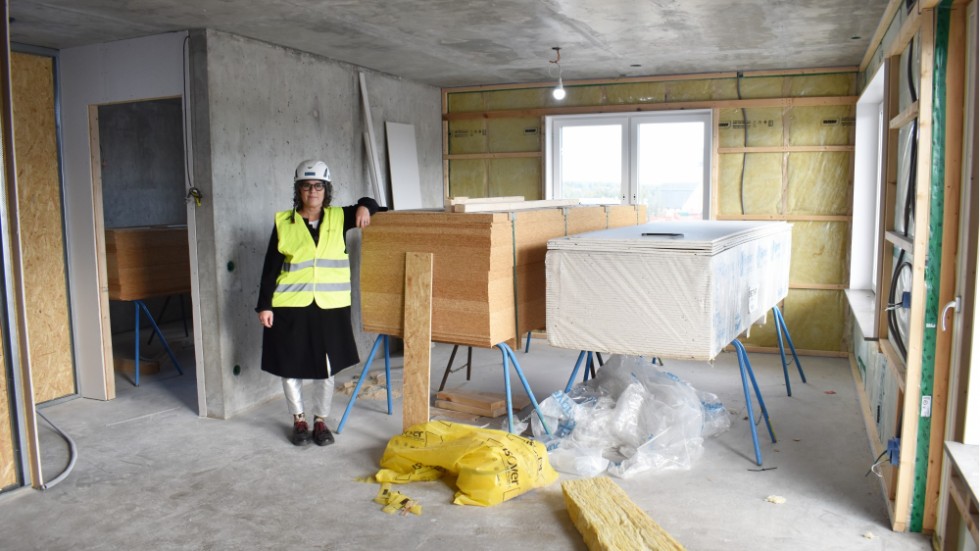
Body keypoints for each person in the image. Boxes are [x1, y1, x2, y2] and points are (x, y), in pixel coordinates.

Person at [256, 159, 378, 446]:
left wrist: (365, 206)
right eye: (307, 186)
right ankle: (298, 419)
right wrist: (265, 305)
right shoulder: (284, 223)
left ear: (326, 189)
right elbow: (270, 268)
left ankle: (320, 421)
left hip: (330, 305)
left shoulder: (340, 217)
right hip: (290, 304)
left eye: (318, 186)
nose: (313, 191)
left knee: (327, 366)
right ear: (299, 190)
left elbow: (374, 204)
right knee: (290, 364)